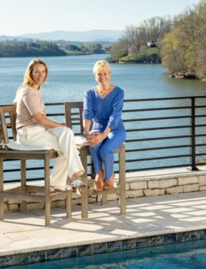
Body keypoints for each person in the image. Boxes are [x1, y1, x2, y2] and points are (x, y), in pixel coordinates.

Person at [14, 59, 84, 191]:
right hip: (28, 134)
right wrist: (59, 125)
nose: (40, 75)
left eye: (43, 71)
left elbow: (41, 119)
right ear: (30, 73)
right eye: (37, 72)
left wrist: (61, 127)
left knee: (67, 134)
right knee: (68, 146)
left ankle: (60, 182)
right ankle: (73, 177)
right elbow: (39, 119)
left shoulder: (36, 89)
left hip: (39, 131)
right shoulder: (27, 91)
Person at [83, 60, 126, 191]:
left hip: (116, 129)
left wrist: (103, 135)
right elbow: (87, 113)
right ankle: (98, 173)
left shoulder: (119, 92)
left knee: (104, 150)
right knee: (93, 144)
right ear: (95, 76)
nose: (102, 77)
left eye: (105, 73)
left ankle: (109, 176)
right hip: (97, 127)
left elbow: (115, 116)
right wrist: (87, 133)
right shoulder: (89, 93)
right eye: (99, 74)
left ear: (110, 74)